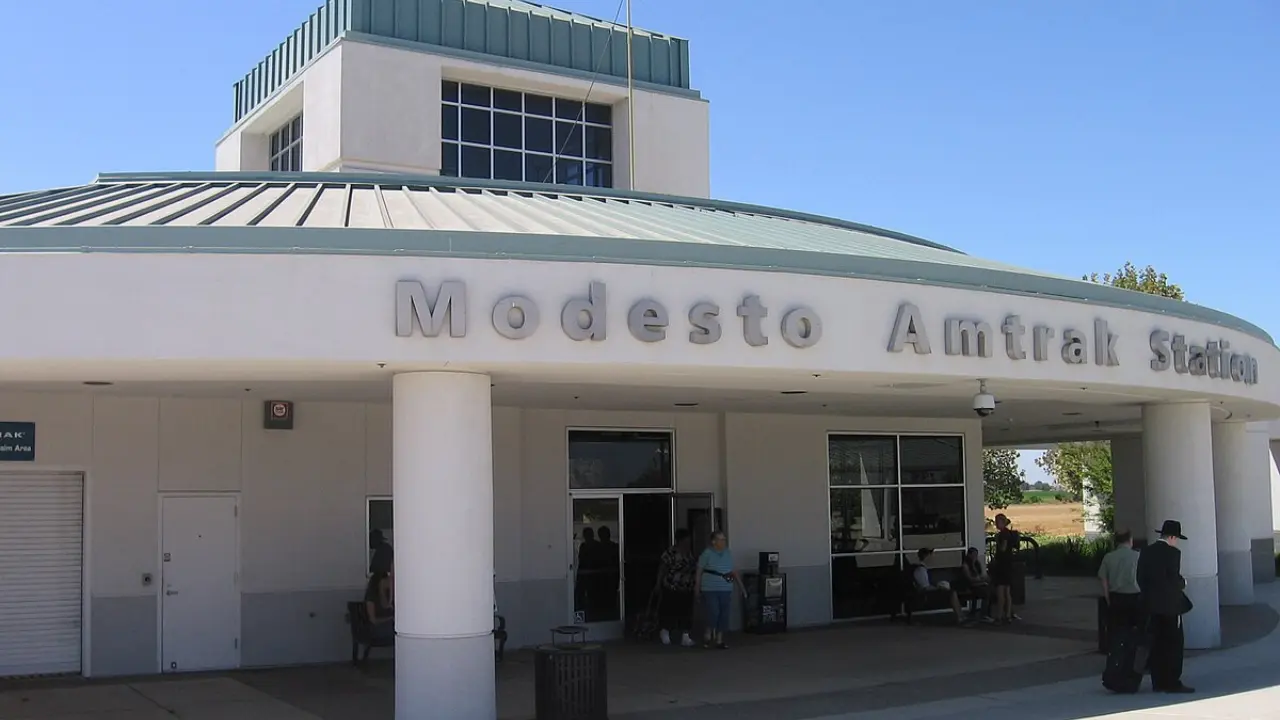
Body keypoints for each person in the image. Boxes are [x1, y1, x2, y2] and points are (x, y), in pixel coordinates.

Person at [1137, 520, 1194, 694]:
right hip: (1170, 607)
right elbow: (1173, 579)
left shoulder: (1146, 552)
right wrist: (1183, 583)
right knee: (1173, 644)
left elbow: (1140, 577)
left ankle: (1158, 681)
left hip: (1151, 606)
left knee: (1156, 643)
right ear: (1172, 537)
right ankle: (1172, 681)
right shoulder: (1173, 553)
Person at [695, 531, 746, 649]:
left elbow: (733, 570)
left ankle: (719, 639)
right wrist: (697, 587)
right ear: (714, 541)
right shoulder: (707, 553)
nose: (723, 542)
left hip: (725, 587)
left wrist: (741, 587)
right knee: (713, 611)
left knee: (724, 613)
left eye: (724, 539)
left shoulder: (728, 553)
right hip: (710, 587)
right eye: (721, 539)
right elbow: (699, 570)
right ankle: (708, 631)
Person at [1098, 530, 1143, 637]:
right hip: (1135, 597)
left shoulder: (1108, 557)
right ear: (1130, 540)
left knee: (1116, 629)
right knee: (1134, 630)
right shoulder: (1138, 556)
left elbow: (1103, 579)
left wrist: (1108, 598)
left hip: (1116, 597)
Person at [656, 529, 696, 647]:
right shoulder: (670, 553)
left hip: (687, 586)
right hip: (671, 586)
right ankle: (665, 631)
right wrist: (658, 584)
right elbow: (662, 569)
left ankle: (685, 636)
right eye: (686, 539)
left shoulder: (689, 553)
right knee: (670, 610)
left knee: (686, 611)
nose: (688, 542)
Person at [910, 548, 970, 626]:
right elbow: (924, 587)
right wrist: (938, 588)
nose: (933, 558)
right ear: (926, 557)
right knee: (952, 593)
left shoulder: (924, 569)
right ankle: (960, 617)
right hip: (925, 593)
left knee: (952, 591)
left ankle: (961, 615)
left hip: (929, 590)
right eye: (931, 556)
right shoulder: (920, 570)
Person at [990, 513, 1019, 625]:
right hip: (1008, 564)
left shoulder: (1003, 534)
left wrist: (997, 540)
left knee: (1000, 591)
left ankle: (999, 616)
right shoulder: (1009, 533)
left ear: (1002, 522)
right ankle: (1008, 615)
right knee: (1007, 591)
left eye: (997, 522)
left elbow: (1003, 548)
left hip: (1002, 565)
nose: (996, 524)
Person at [958, 547, 994, 622]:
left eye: (976, 555)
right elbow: (969, 579)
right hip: (969, 585)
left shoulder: (977, 564)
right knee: (986, 593)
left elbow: (979, 575)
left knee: (990, 590)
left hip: (978, 584)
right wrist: (980, 579)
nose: (975, 556)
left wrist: (982, 579)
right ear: (969, 555)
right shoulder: (965, 565)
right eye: (973, 554)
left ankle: (985, 613)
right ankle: (983, 614)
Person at [363, 568, 395, 643]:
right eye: (386, 580)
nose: (388, 583)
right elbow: (373, 620)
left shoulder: (390, 595)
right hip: (376, 628)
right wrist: (390, 618)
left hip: (389, 625)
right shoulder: (371, 597)